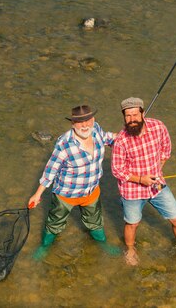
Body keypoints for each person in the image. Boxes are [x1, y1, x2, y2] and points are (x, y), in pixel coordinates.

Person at [111, 97, 176, 265]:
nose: (131, 119)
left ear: (143, 113)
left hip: (157, 186)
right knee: (132, 223)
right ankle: (130, 249)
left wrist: (156, 169)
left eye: (135, 115)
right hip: (132, 190)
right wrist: (140, 179)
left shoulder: (158, 126)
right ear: (124, 117)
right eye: (128, 116)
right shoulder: (121, 140)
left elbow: (166, 150)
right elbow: (117, 170)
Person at [28, 104, 118, 259]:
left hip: (91, 192)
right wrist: (37, 195)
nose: (85, 125)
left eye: (88, 120)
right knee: (55, 223)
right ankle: (44, 247)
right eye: (80, 122)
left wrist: (128, 136)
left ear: (93, 119)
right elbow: (50, 170)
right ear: (72, 123)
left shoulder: (96, 129)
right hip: (66, 195)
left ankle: (102, 244)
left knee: (95, 221)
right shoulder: (64, 144)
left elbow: (109, 138)